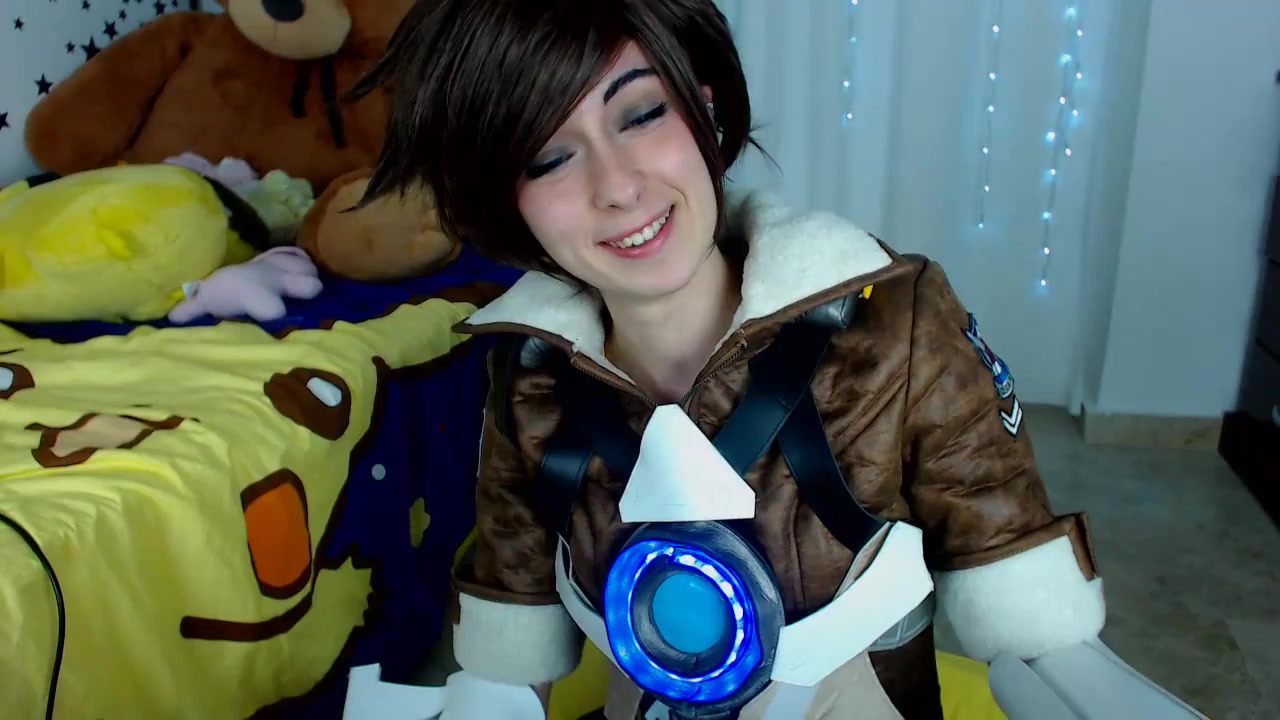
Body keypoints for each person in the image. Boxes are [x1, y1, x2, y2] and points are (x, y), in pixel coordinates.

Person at [349, 1, 1112, 718]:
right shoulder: (528, 372)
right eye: (548, 157)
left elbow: (1030, 617)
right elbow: (508, 652)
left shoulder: (896, 323)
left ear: (705, 109)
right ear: (505, 200)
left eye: (641, 114)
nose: (618, 187)